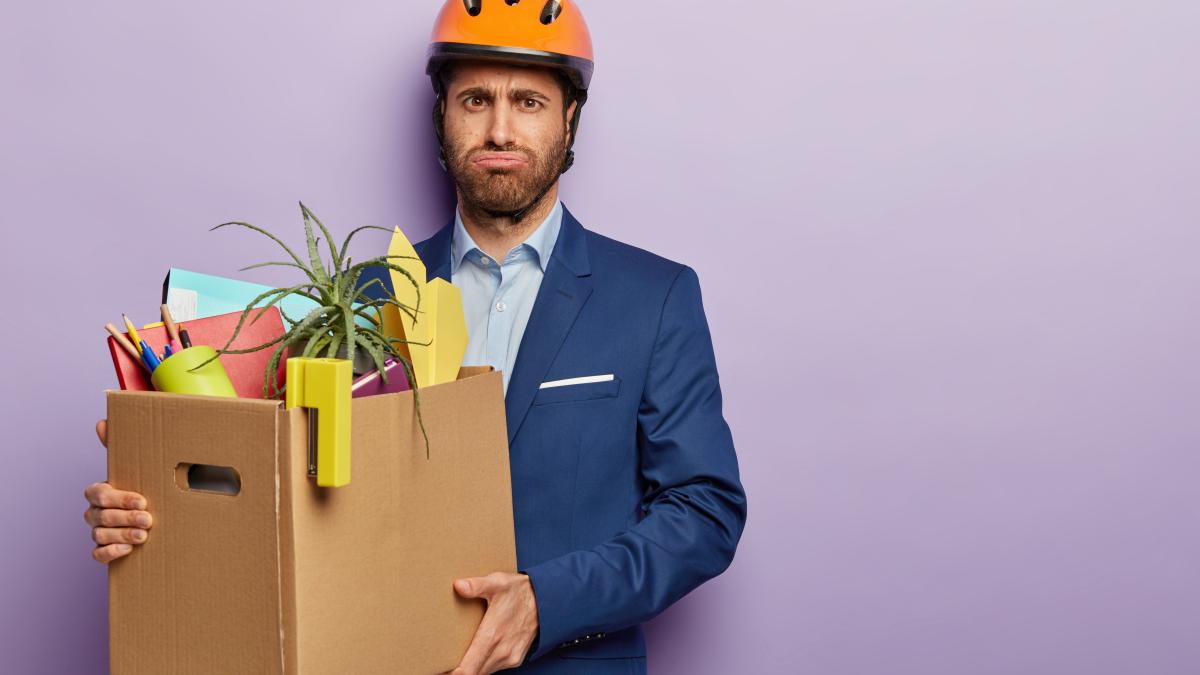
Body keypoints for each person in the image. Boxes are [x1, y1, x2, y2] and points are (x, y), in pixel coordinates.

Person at [84, 2, 746, 673]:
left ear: (569, 117)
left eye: (529, 101)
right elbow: (284, 494)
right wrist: (156, 507)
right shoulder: (353, 299)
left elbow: (705, 510)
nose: (499, 127)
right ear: (441, 114)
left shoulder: (654, 298)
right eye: (475, 99)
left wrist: (548, 601)